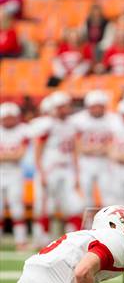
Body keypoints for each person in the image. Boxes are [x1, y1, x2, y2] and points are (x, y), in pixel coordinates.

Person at [32, 91, 84, 245]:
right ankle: (41, 239)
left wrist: (76, 173)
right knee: (45, 204)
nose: (65, 109)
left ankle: (71, 239)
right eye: (61, 107)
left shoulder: (72, 124)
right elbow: (38, 150)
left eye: (66, 106)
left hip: (66, 168)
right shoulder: (46, 124)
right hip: (50, 168)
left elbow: (74, 150)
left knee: (74, 204)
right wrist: (41, 172)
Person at [71, 90, 116, 207]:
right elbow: (76, 145)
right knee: (85, 196)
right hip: (86, 161)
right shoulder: (78, 120)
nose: (96, 109)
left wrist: (103, 149)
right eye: (94, 107)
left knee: (108, 196)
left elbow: (115, 142)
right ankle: (88, 224)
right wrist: (95, 149)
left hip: (105, 162)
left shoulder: (113, 120)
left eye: (99, 106)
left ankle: (108, 224)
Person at [0, 102, 29, 250]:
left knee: (17, 207)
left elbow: (20, 155)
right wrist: (11, 156)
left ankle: (21, 241)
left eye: (12, 117)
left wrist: (6, 156)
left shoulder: (22, 130)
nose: (9, 120)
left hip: (15, 172)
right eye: (6, 117)